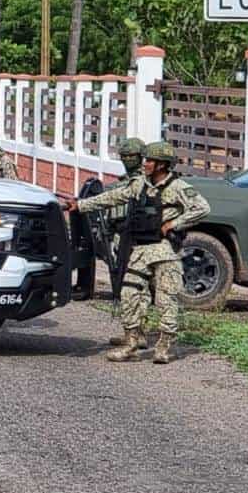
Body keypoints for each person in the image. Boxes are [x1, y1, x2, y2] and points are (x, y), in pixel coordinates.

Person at [70, 141, 209, 364]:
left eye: (151, 161)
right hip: (141, 251)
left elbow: (202, 208)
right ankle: (132, 343)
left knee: (166, 299)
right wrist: (81, 205)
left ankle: (164, 346)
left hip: (164, 252)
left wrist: (175, 223)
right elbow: (113, 197)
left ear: (163, 165)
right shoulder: (139, 185)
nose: (146, 164)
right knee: (129, 294)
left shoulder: (178, 187)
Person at [99, 137, 149, 348]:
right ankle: (130, 331)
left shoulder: (147, 182)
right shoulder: (120, 183)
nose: (128, 160)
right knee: (122, 283)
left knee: (138, 286)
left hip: (140, 239)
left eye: (132, 156)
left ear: (141, 157)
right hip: (120, 237)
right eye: (125, 156)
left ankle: (140, 333)